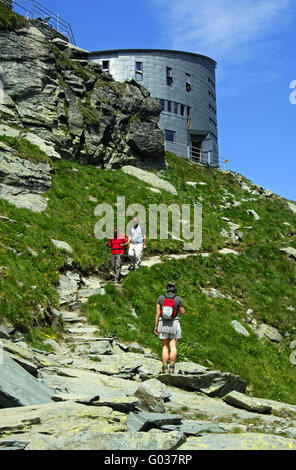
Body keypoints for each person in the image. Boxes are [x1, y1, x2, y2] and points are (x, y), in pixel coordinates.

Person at [154, 282, 185, 374]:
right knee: (173, 346)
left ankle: (164, 368)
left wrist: (156, 326)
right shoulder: (178, 299)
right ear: (175, 289)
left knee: (164, 347)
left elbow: (157, 313)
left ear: (167, 288)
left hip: (162, 323)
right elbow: (183, 313)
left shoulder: (160, 298)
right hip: (174, 324)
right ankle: (171, 368)